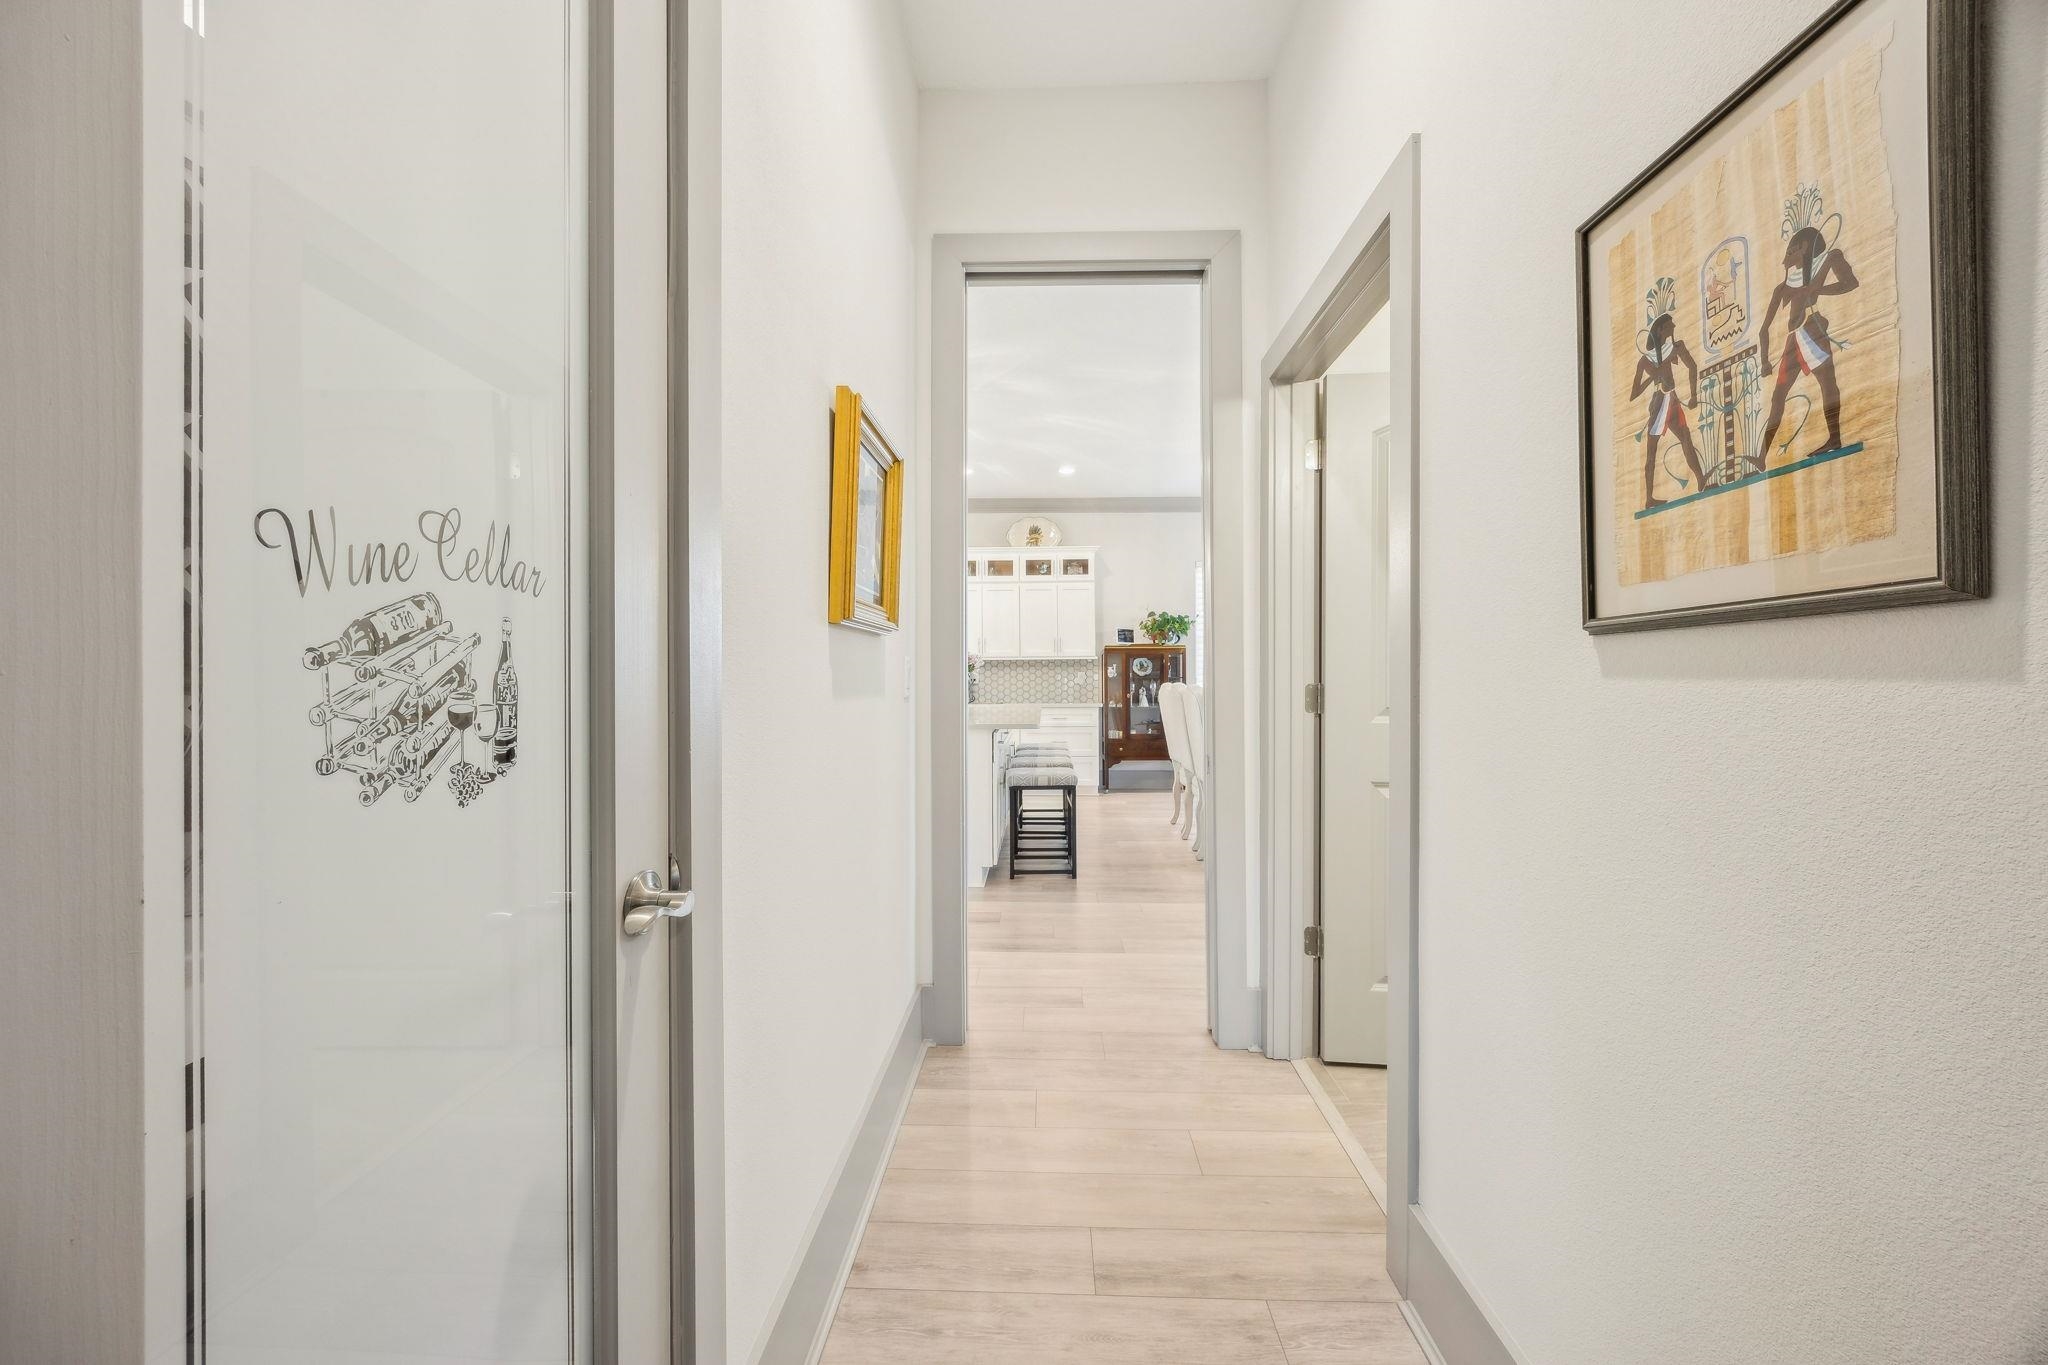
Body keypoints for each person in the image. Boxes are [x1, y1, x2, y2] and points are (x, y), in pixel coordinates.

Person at [1757, 220, 1859, 466]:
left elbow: (1850, 282)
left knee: (1828, 385)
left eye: (1790, 250)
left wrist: (1816, 290)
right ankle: (1761, 457)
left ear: (1803, 247)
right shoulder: (1782, 288)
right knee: (1778, 395)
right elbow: (1763, 329)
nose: (1785, 258)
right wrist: (1764, 362)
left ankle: (1834, 438)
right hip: (1794, 339)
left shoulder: (1828, 260)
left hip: (1813, 330)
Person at [1629, 287, 1705, 509]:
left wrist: (1694, 396)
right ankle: (1649, 498)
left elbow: (1693, 367)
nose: (1673, 327)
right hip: (1658, 404)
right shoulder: (1645, 360)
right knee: (1651, 452)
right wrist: (1653, 376)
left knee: (1686, 440)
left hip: (1672, 401)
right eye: (1670, 325)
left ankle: (1701, 480)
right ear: (1662, 329)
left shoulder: (1676, 347)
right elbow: (1634, 393)